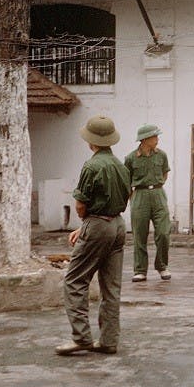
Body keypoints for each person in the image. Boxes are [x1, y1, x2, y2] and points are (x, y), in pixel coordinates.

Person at [55, 115, 130, 356]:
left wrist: (86, 225)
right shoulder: (121, 165)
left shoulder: (91, 165)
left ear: (91, 141)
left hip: (97, 224)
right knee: (111, 286)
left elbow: (80, 204)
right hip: (118, 224)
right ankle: (108, 340)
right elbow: (126, 197)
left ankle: (82, 337)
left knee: (75, 280)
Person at [124, 123, 172, 283]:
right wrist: (133, 198)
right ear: (145, 139)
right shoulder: (131, 158)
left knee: (164, 233)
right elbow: (127, 180)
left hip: (158, 194)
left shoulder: (161, 155)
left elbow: (165, 174)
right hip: (140, 194)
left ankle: (162, 266)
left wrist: (156, 186)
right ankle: (140, 270)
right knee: (139, 234)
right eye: (155, 136)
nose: (157, 139)